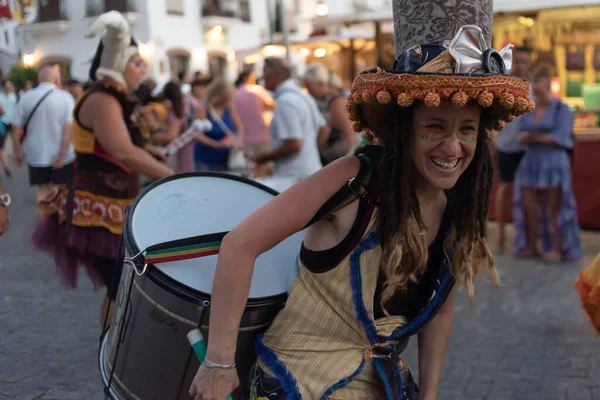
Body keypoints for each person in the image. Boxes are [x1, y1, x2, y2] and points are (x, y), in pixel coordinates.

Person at [188, 1, 534, 397]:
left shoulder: (459, 206)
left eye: (467, 129)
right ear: (403, 128)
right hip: (295, 384)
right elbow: (240, 244)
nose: (453, 147)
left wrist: (430, 393)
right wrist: (218, 363)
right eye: (435, 127)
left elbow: (441, 310)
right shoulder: (354, 179)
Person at [30, 11, 174, 327]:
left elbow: (118, 146)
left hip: (114, 202)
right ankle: (110, 347)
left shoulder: (112, 99)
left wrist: (150, 149)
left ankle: (114, 345)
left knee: (120, 284)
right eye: (136, 63)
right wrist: (173, 177)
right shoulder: (102, 100)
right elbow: (124, 152)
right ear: (119, 63)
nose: (142, 69)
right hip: (99, 206)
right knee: (117, 285)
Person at [513, 67, 582, 262]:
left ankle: (557, 248)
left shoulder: (562, 109)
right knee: (529, 205)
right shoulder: (530, 109)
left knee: (555, 207)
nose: (537, 95)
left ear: (548, 86)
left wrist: (534, 137)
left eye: (540, 91)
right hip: (531, 162)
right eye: (535, 91)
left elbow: (562, 137)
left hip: (554, 163)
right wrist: (538, 138)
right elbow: (520, 135)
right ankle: (533, 244)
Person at [253, 57, 326, 180]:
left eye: (264, 73)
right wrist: (310, 153)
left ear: (273, 74)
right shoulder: (303, 96)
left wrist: (263, 158)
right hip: (310, 171)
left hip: (293, 176)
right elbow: (324, 129)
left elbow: (294, 145)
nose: (262, 78)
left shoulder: (285, 101)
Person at [11, 66, 76, 204]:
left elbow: (16, 128)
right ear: (57, 79)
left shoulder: (25, 98)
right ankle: (59, 223)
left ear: (39, 79)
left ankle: (44, 220)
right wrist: (62, 155)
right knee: (62, 196)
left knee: (43, 193)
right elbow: (68, 129)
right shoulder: (66, 98)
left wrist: (17, 151)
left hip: (36, 155)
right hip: (61, 157)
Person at [493, 46, 533, 252]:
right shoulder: (503, 84)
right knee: (506, 188)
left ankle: (524, 235)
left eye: (526, 62)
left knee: (527, 192)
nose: (522, 65)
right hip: (507, 146)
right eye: (519, 61)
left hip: (528, 148)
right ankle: (501, 233)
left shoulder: (532, 87)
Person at [303, 63, 358, 165]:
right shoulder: (326, 101)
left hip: (340, 159)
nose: (308, 91)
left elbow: (351, 136)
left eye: (309, 87)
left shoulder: (335, 102)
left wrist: (350, 163)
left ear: (320, 84)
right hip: (334, 158)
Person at [194, 79, 244, 172]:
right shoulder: (203, 108)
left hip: (225, 157)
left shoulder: (229, 107)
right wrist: (216, 144)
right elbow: (198, 135)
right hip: (206, 157)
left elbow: (239, 127)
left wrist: (238, 140)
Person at [234, 70, 274, 159]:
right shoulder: (258, 90)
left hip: (243, 136)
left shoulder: (235, 93)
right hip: (261, 134)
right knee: (264, 164)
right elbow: (271, 106)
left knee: (248, 166)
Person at [0, 80, 16, 178]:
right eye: (8, 85)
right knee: (2, 146)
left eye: (10, 85)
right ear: (3, 87)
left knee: (16, 140)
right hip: (2, 122)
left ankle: (17, 157)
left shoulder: (13, 96)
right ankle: (6, 167)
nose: (9, 87)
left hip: (12, 121)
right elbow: (3, 110)